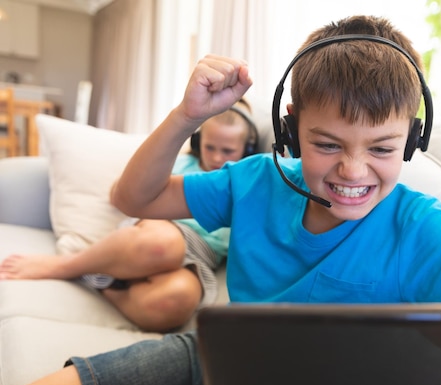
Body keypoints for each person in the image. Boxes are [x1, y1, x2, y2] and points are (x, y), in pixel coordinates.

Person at [0, 15, 441, 385]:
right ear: (290, 127)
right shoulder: (256, 181)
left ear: (411, 140)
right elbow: (134, 199)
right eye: (327, 144)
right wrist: (185, 116)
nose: (354, 171)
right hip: (205, 350)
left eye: (381, 149)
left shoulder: (420, 229)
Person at [0, 98, 258, 332]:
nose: (215, 157)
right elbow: (122, 195)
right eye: (209, 146)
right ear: (197, 141)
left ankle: (102, 284)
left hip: (202, 255)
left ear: (247, 149)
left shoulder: (247, 181)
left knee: (176, 301)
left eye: (227, 151)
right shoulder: (181, 164)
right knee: (164, 245)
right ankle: (66, 266)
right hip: (161, 230)